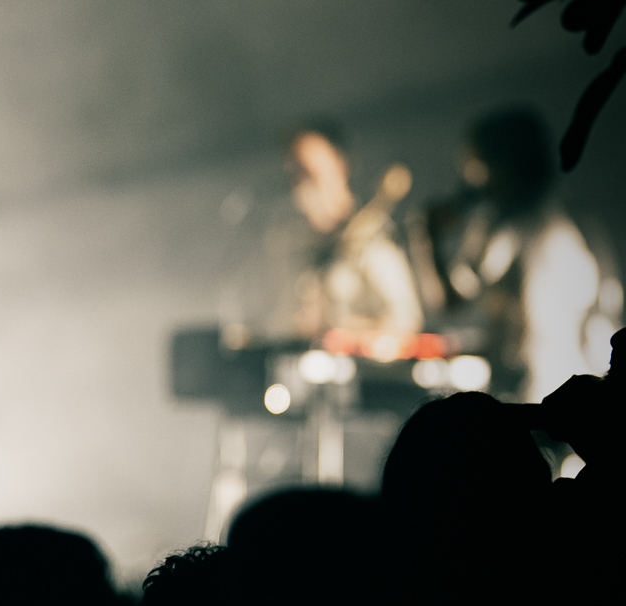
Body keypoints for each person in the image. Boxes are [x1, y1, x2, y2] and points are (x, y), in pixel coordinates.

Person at [417, 107, 618, 401]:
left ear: (502, 163)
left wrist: (427, 239)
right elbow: (454, 303)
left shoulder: (528, 222)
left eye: (474, 163)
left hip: (548, 392)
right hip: (551, 391)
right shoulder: (572, 221)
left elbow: (451, 302)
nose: (467, 175)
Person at [253, 122, 423, 344]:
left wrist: (341, 330)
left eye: (311, 174)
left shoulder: (373, 236)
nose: (302, 189)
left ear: (341, 166)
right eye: (296, 176)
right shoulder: (292, 244)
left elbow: (406, 322)